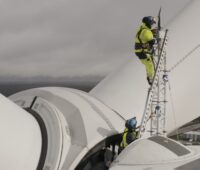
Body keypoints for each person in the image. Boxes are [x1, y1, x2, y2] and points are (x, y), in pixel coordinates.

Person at [134, 16, 157, 85]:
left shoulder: (142, 29)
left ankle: (150, 76)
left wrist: (151, 33)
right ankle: (151, 79)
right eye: (152, 23)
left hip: (140, 51)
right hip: (142, 51)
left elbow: (144, 38)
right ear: (148, 23)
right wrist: (154, 36)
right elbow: (152, 42)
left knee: (148, 64)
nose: (152, 25)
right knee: (150, 65)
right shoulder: (146, 31)